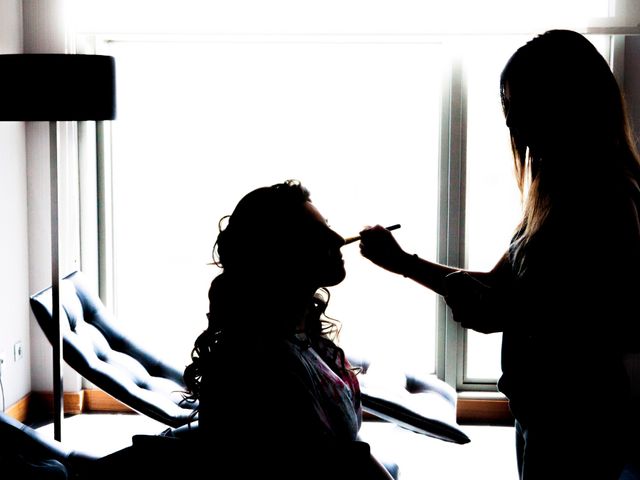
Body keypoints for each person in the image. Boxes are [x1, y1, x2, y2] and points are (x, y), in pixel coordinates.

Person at [358, 30, 640, 479]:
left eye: (518, 103)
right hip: (541, 410)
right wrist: (404, 263)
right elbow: (499, 286)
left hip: (575, 417)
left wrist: (480, 304)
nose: (511, 121)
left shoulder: (601, 201)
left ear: (564, 104)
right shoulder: (555, 198)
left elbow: (509, 311)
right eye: (507, 104)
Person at [180, 179, 395, 479]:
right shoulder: (264, 365)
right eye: (317, 235)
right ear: (278, 255)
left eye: (329, 226)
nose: (335, 238)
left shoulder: (300, 337)